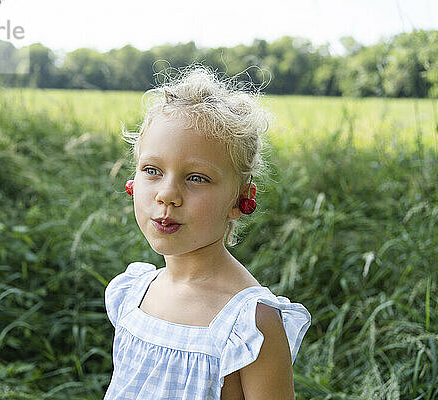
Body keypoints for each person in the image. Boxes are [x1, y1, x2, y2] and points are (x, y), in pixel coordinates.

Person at [104, 65, 311, 400]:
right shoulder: (135, 292)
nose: (167, 194)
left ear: (240, 198)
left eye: (196, 177)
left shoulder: (249, 323)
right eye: (152, 170)